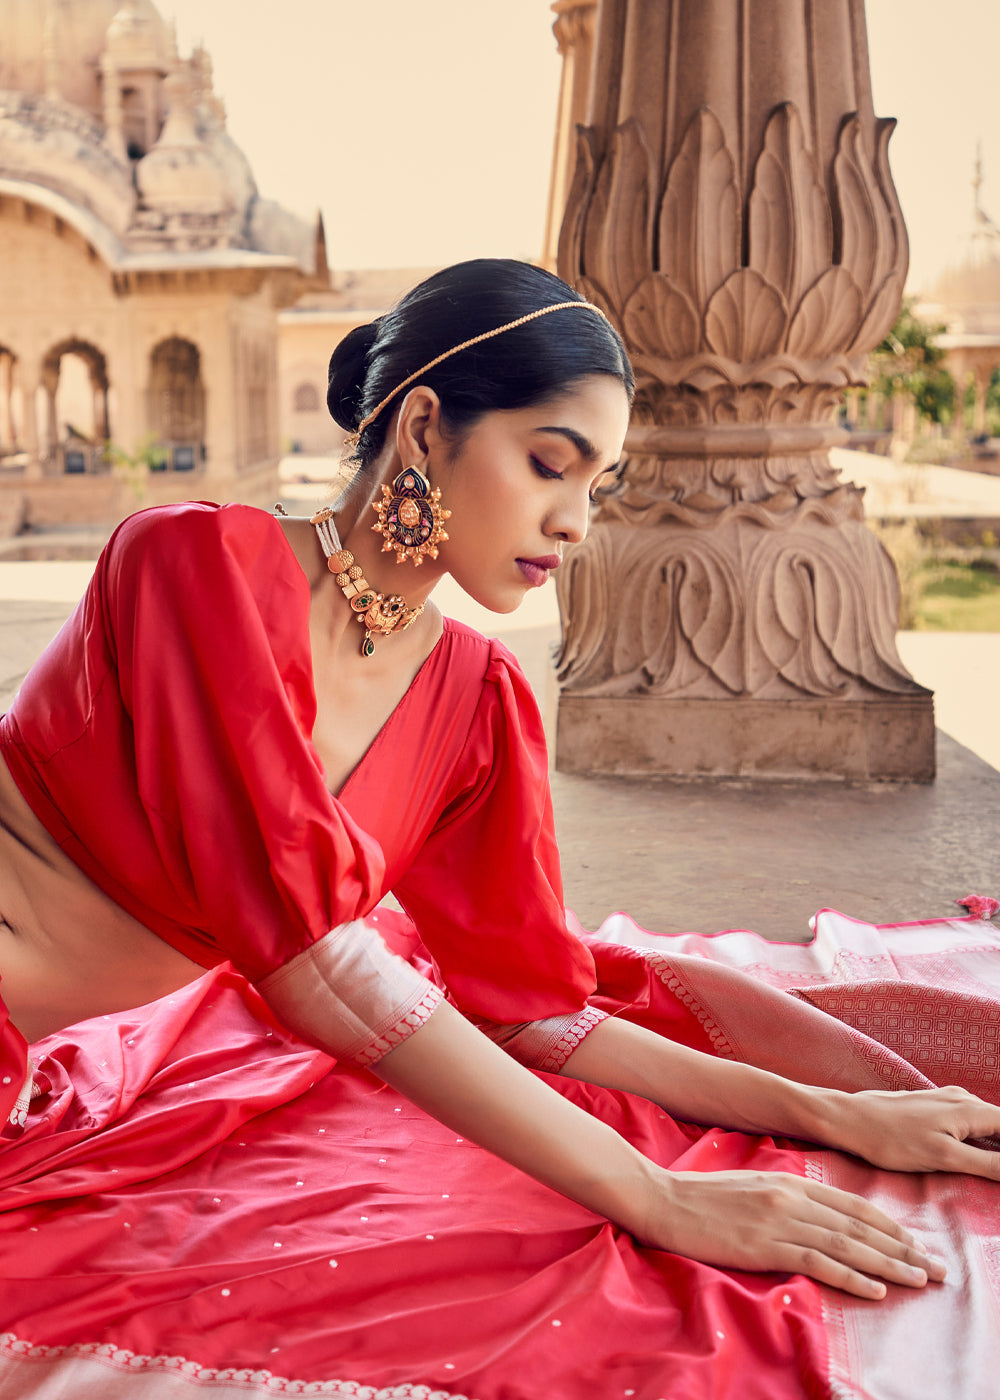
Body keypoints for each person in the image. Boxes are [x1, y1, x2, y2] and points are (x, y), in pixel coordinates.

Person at [1, 260, 999, 1393]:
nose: (573, 523)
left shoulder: (475, 701)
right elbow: (314, 966)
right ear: (423, 424)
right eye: (548, 464)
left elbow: (529, 1010)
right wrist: (653, 1194)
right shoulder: (193, 564)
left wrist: (827, 1108)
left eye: (600, 486)